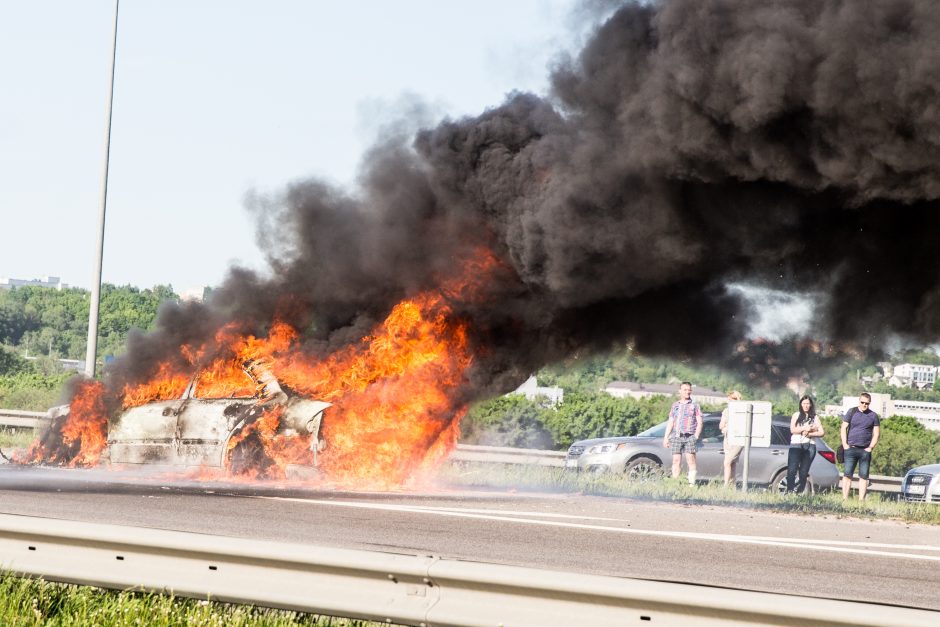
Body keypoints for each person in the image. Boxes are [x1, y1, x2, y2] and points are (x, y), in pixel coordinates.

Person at [841, 392, 881, 500]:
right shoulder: (851, 412)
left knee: (864, 476)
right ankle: (845, 499)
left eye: (866, 403)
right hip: (851, 448)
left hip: (865, 451)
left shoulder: (873, 416)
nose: (864, 405)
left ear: (869, 403)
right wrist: (845, 445)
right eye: (862, 402)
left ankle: (861, 500)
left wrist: (870, 448)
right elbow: (843, 428)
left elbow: (876, 433)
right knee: (847, 475)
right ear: (859, 401)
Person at [662, 381, 703, 485]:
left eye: (689, 390)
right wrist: (666, 437)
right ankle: (676, 483)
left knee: (691, 460)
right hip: (676, 436)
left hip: (690, 436)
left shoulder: (695, 405)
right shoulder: (675, 405)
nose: (687, 392)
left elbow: (700, 422)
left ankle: (691, 484)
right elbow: (671, 422)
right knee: (676, 460)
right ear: (680, 391)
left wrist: (696, 436)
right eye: (685, 390)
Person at [786, 395, 824, 494]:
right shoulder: (796, 415)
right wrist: (804, 428)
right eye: (804, 403)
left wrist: (810, 432)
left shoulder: (815, 417)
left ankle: (800, 491)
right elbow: (792, 430)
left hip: (810, 445)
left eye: (807, 403)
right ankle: (790, 490)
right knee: (792, 469)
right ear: (801, 404)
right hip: (796, 444)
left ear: (810, 405)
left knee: (803, 471)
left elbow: (821, 432)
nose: (806, 406)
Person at [718, 390, 744, 486]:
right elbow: (721, 425)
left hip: (738, 440)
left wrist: (738, 400)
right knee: (731, 463)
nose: (730, 401)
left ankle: (725, 485)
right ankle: (731, 485)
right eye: (729, 399)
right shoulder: (726, 411)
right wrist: (724, 427)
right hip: (728, 439)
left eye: (733, 399)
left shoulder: (742, 410)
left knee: (727, 462)